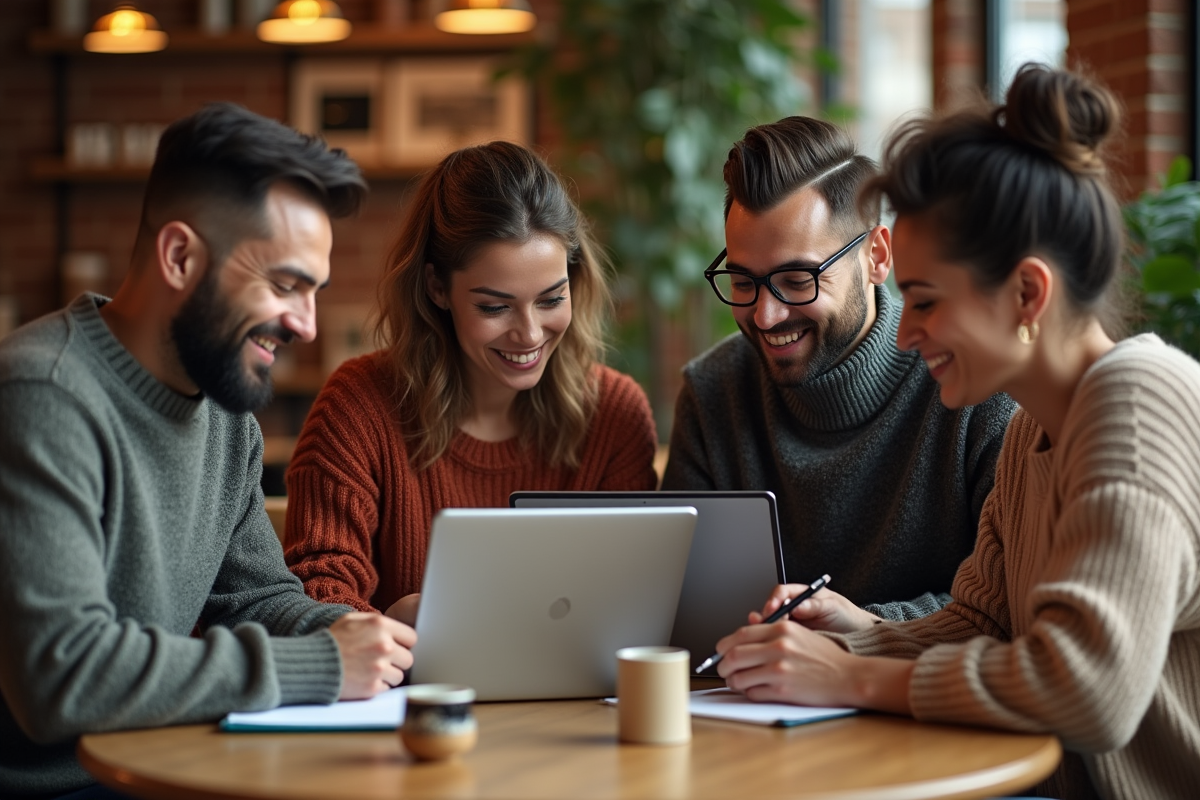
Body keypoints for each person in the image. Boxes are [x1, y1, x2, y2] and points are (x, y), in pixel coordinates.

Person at [715, 65, 1200, 799]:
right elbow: (982, 621)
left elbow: (1088, 692)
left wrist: (851, 676)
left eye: (926, 301)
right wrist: (854, 630)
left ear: (1028, 293)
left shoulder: (1137, 404)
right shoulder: (1032, 436)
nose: (904, 335)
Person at [0, 103, 419, 800]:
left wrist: (363, 633)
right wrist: (318, 665)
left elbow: (255, 597)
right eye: (285, 285)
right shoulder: (43, 395)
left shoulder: (226, 412)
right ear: (179, 256)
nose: (306, 326)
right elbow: (61, 676)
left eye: (312, 292)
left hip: (165, 769)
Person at [662, 116, 1015, 621]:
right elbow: (680, 603)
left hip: (916, 699)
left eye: (797, 278)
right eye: (743, 282)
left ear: (876, 256)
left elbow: (1005, 607)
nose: (766, 315)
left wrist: (864, 631)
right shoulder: (714, 391)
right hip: (746, 694)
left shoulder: (976, 389)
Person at [284, 141, 658, 619]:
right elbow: (315, 592)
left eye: (550, 299)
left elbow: (635, 600)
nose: (528, 333)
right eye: (495, 306)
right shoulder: (358, 406)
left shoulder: (614, 413)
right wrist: (400, 621)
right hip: (413, 689)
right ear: (437, 288)